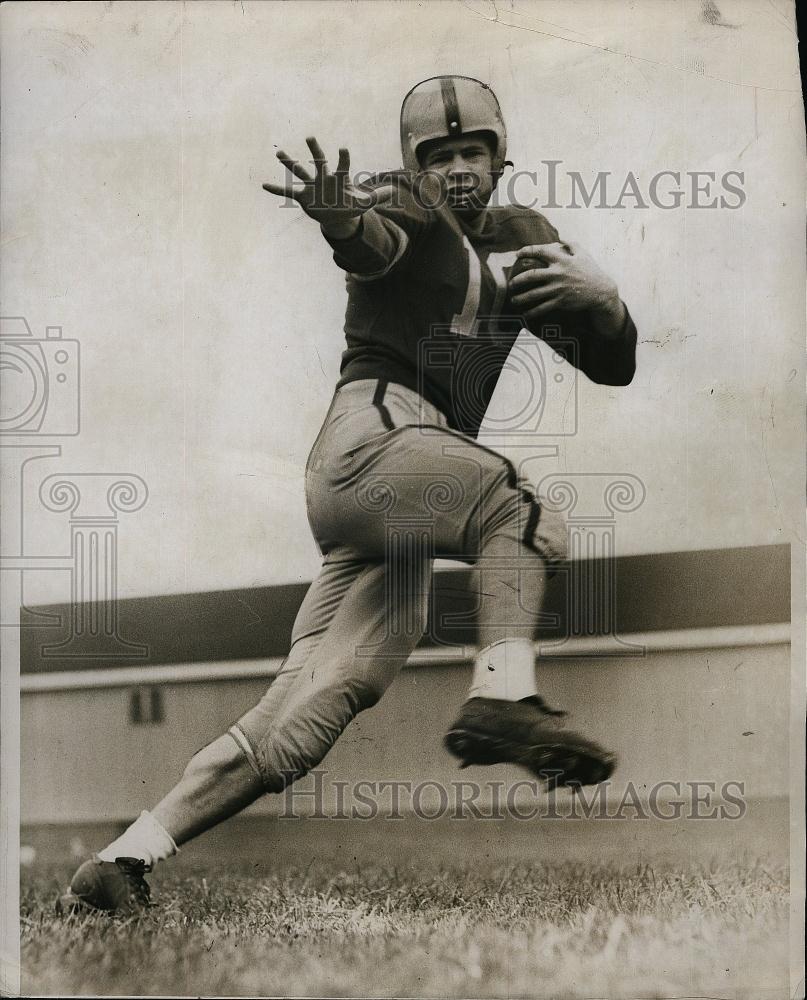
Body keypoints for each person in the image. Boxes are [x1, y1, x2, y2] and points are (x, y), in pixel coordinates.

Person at [58, 76, 637, 913]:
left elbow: (611, 364)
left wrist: (605, 301)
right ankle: (503, 697)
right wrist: (339, 221)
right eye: (439, 156)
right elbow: (374, 241)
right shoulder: (402, 201)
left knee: (306, 714)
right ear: (414, 164)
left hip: (408, 483)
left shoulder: (526, 240)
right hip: (370, 445)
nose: (458, 168)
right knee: (520, 508)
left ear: (500, 156)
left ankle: (123, 859)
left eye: (472, 150)